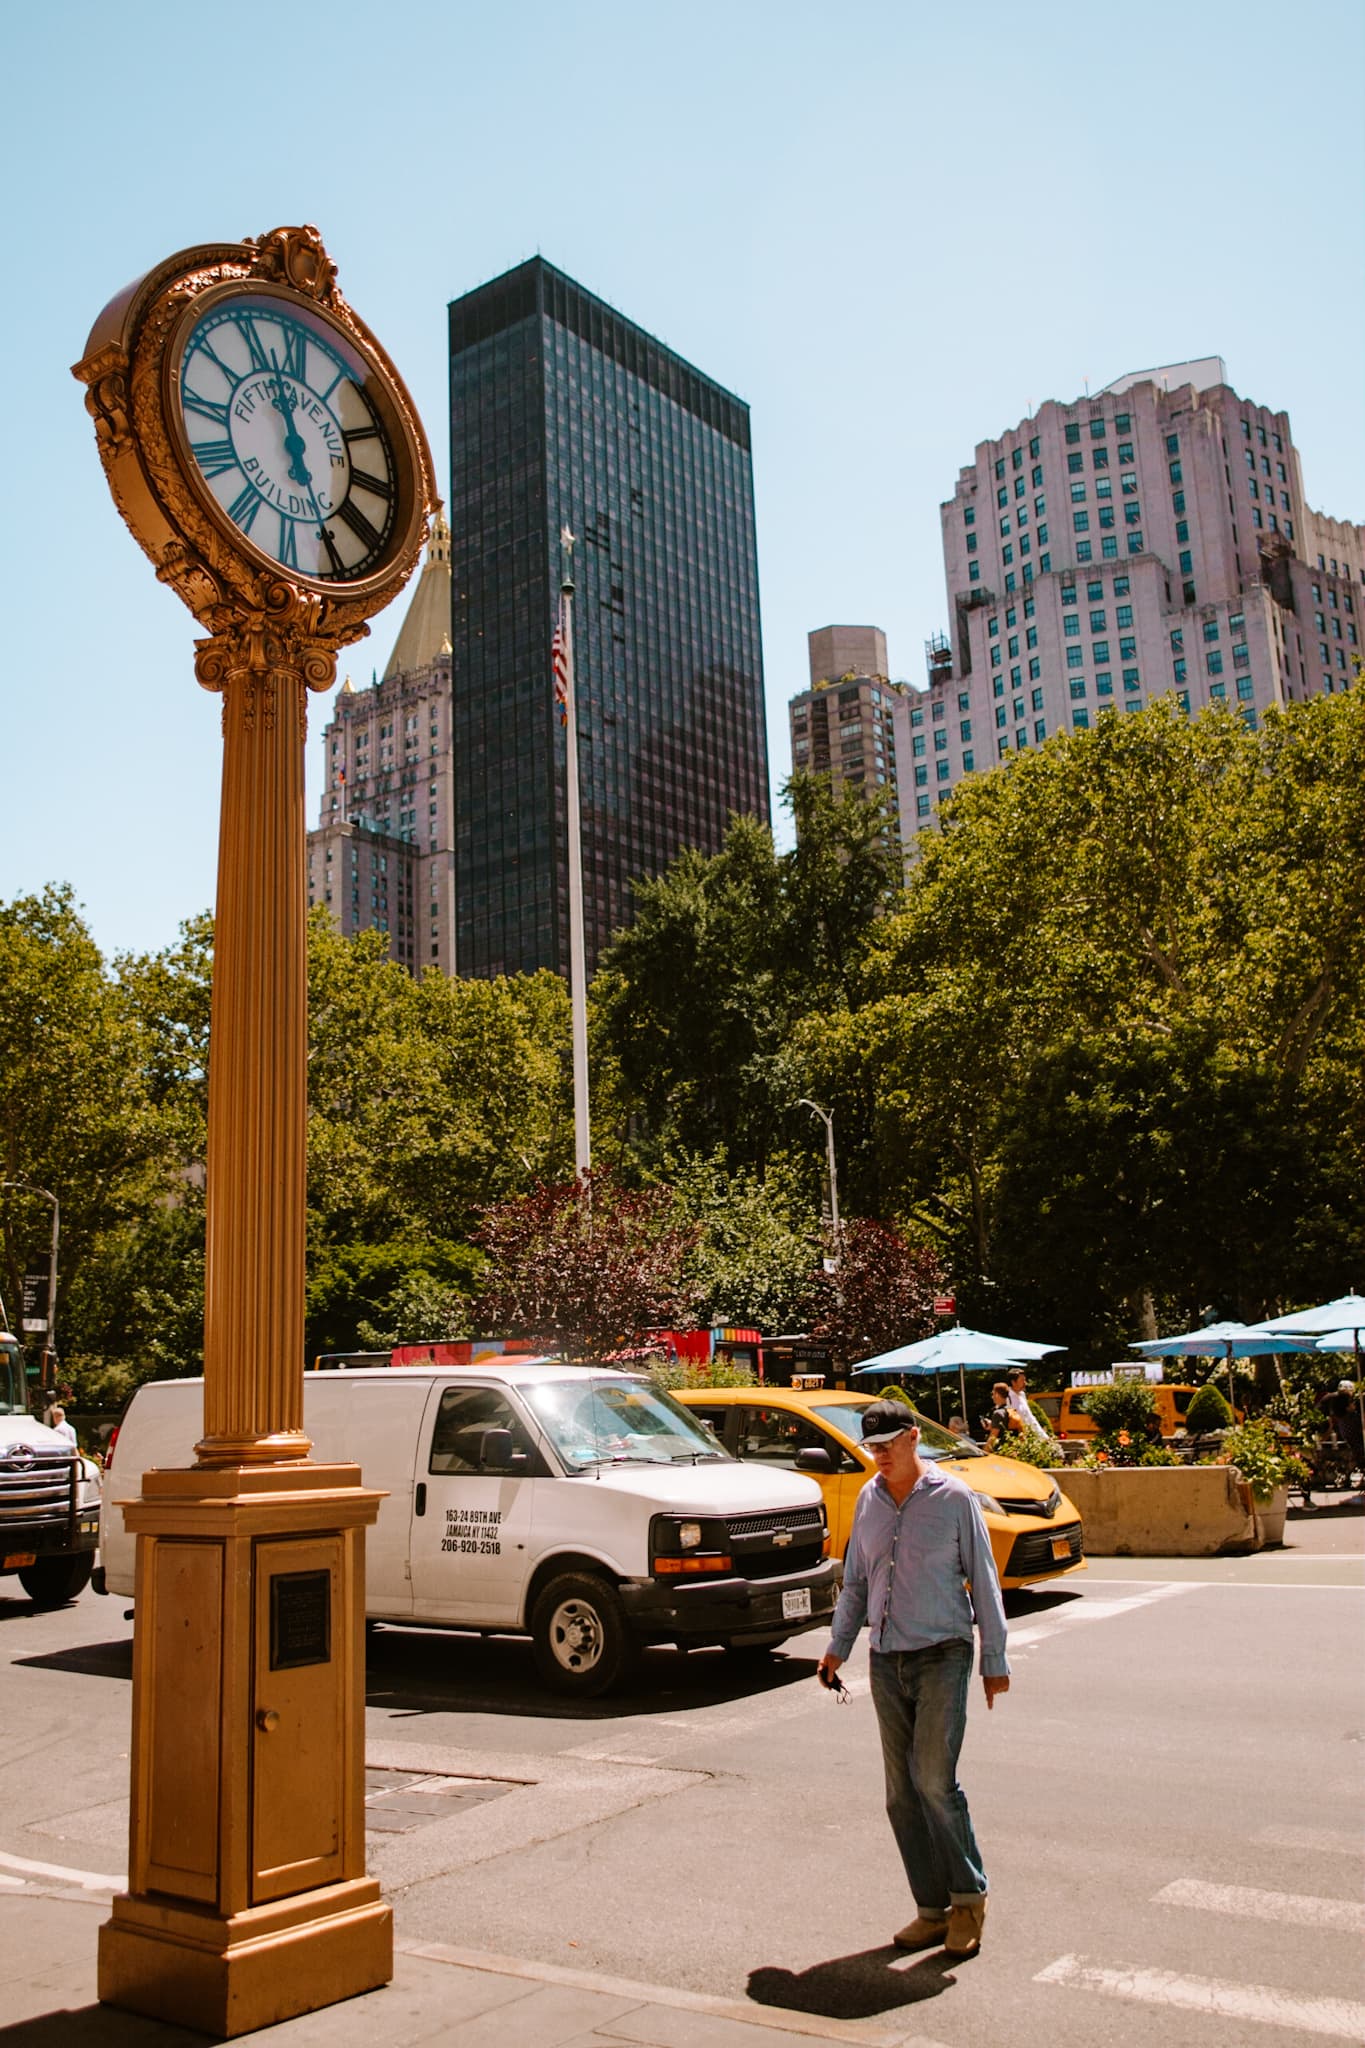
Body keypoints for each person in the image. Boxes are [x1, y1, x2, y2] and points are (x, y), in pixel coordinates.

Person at [818, 1398, 1009, 1960]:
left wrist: (993, 1660)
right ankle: (931, 1910)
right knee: (900, 1796)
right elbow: (855, 1583)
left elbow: (985, 1579)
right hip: (886, 1658)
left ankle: (969, 1899)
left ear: (910, 1440)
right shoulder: (869, 1500)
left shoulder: (954, 1499)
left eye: (884, 1446)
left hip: (943, 1652)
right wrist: (837, 1647)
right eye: (870, 1448)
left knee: (932, 1780)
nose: (876, 1457)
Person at [1005, 1368, 1049, 1440]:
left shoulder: (1022, 1395)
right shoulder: (1007, 1397)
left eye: (1024, 1380)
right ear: (1013, 1382)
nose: (1025, 1383)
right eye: (1022, 1380)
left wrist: (1044, 1437)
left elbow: (1030, 1417)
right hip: (1015, 1439)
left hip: (1027, 1437)